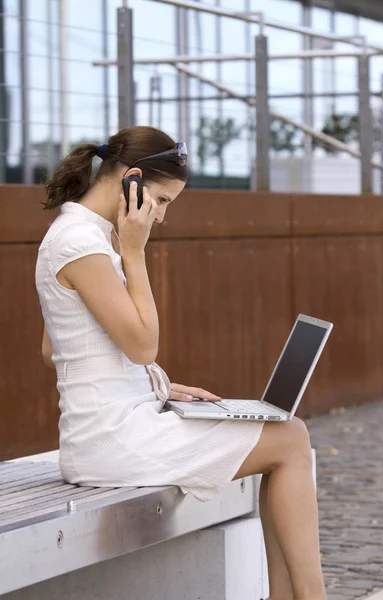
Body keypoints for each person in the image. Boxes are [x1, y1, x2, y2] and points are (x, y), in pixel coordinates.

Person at [36, 125, 326, 600]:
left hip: (117, 426)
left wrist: (155, 388)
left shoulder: (82, 234)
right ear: (131, 180)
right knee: (291, 439)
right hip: (110, 441)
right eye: (163, 200)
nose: (163, 216)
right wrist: (134, 253)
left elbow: (58, 347)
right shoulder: (83, 243)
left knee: (286, 439)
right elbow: (143, 346)